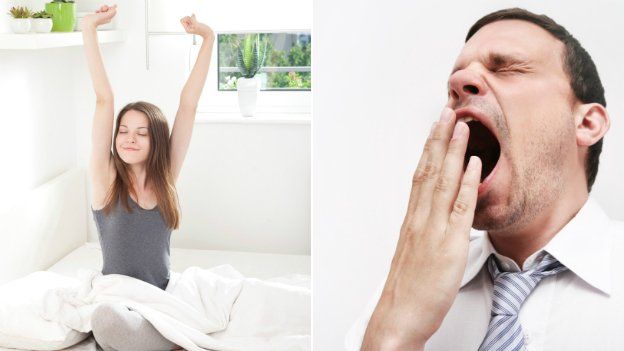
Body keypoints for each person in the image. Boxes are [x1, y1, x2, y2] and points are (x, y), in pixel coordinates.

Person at [346, 7, 624, 351]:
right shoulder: (402, 289)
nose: (458, 84)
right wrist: (394, 335)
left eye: (506, 68)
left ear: (586, 124)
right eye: (456, 78)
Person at [81, 4, 214, 350]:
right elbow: (103, 99)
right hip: (120, 299)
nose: (128, 138)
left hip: (161, 299)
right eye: (123, 130)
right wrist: (90, 30)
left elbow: (188, 105)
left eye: (141, 133)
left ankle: (158, 337)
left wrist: (208, 38)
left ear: (156, 141)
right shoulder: (106, 179)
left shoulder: (166, 174)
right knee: (106, 319)